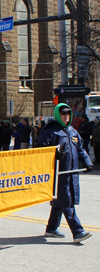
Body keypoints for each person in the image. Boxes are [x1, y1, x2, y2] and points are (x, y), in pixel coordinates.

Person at [38, 103, 93, 243]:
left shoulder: (73, 132)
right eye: (63, 114)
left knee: (60, 203)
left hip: (72, 173)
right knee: (66, 202)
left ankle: (51, 228)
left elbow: (80, 149)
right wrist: (55, 155)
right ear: (58, 115)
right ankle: (78, 231)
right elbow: (41, 151)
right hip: (59, 174)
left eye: (68, 114)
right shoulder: (51, 132)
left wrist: (87, 162)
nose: (66, 116)